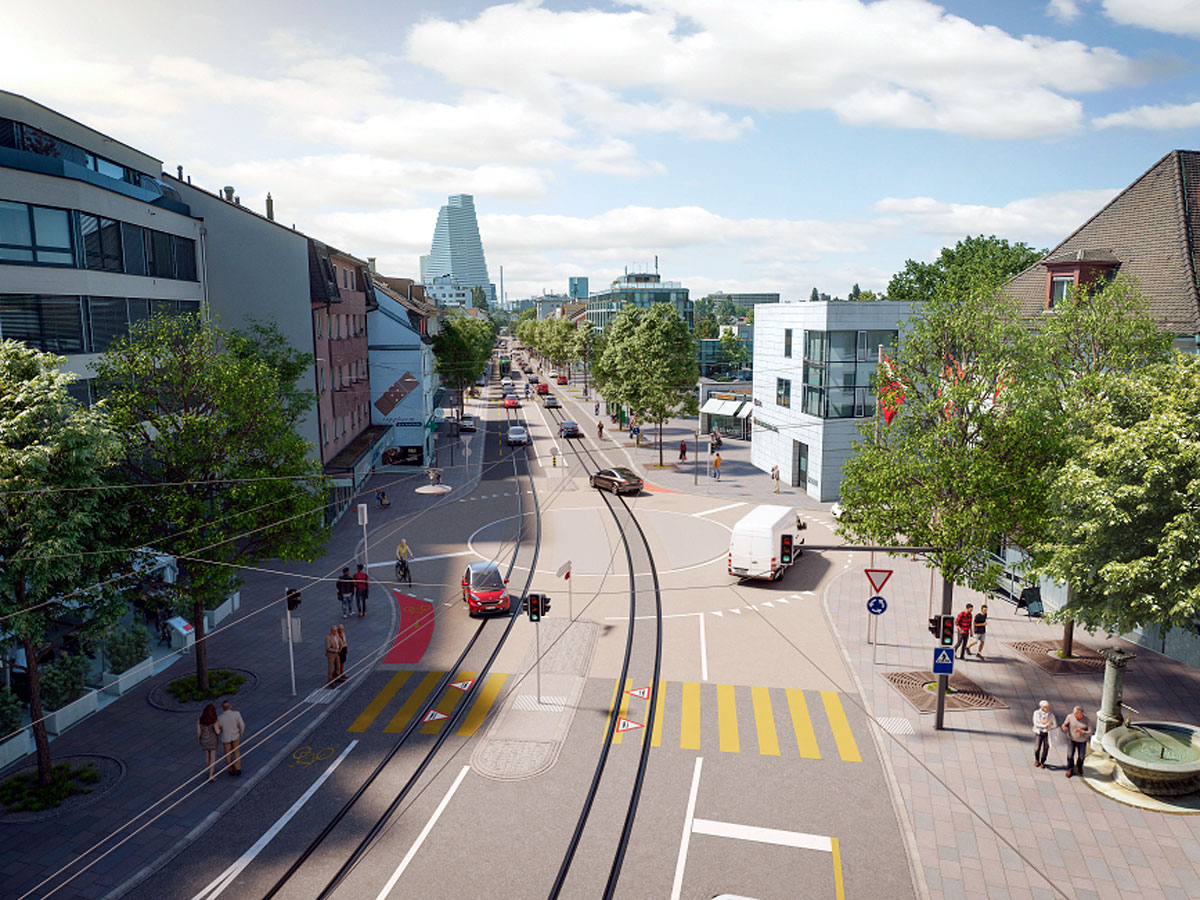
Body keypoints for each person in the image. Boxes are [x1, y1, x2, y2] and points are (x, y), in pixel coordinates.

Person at [1062, 706, 1093, 778]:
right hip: (1071, 739)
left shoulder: (1086, 720)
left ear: (1080, 714)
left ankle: (1079, 766)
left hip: (1082, 741)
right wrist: (1064, 726)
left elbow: (1090, 732)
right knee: (1070, 755)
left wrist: (1082, 731)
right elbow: (1065, 724)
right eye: (1074, 713)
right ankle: (1070, 769)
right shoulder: (1070, 717)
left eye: (1075, 714)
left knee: (1081, 756)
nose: (1074, 715)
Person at [217, 700, 245, 777]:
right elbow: (242, 725)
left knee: (228, 754)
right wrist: (241, 733)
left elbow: (218, 730)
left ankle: (231, 770)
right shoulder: (236, 714)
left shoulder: (220, 718)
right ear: (230, 706)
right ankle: (238, 769)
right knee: (236, 752)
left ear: (222, 708)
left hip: (226, 738)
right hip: (235, 735)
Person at [197, 703, 222, 783]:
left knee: (207, 757)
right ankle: (211, 775)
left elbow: (199, 733)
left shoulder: (200, 720)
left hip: (204, 740)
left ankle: (210, 770)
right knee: (213, 758)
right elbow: (217, 732)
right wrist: (221, 729)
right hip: (212, 740)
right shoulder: (214, 720)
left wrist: (200, 741)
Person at [1032, 700, 1056, 769]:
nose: (1047, 708)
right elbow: (1036, 724)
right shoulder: (1037, 713)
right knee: (1037, 748)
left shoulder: (1051, 715)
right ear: (1042, 707)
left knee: (1046, 747)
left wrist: (1049, 725)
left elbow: (1055, 725)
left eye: (1048, 707)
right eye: (1046, 707)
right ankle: (1037, 759)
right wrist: (1045, 725)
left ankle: (1043, 761)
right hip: (1039, 732)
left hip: (1047, 733)